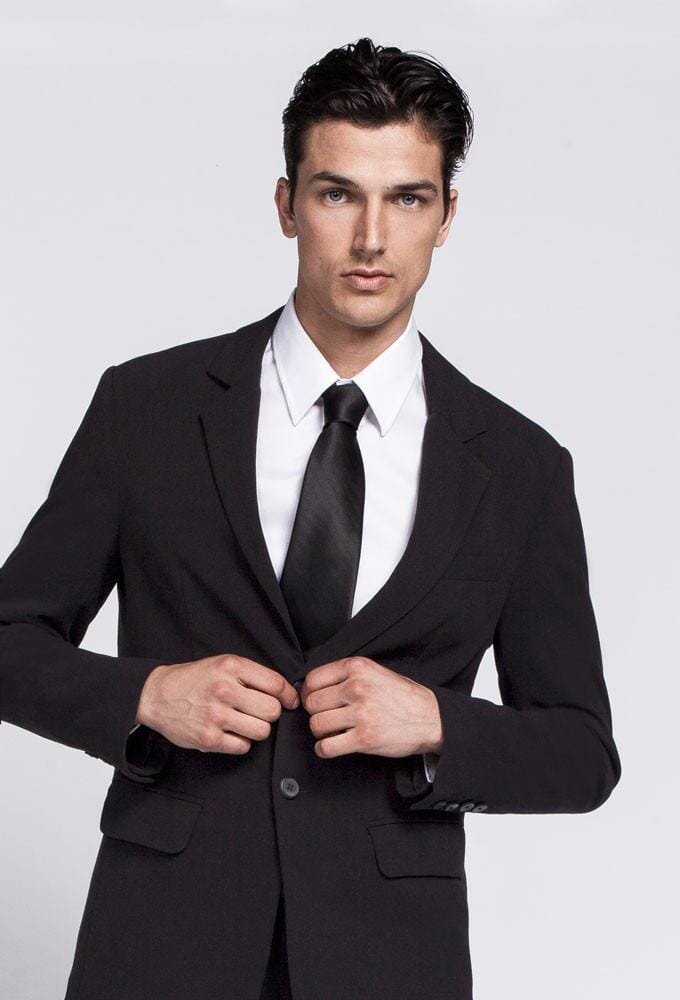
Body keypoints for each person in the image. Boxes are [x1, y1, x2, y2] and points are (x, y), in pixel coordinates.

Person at [0, 36, 621, 1000]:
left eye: (406, 199)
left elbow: (582, 753)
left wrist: (435, 723)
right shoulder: (147, 409)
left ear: (446, 216)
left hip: (390, 962)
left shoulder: (520, 468)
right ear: (288, 204)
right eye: (338, 194)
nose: (371, 238)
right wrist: (144, 696)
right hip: (161, 946)